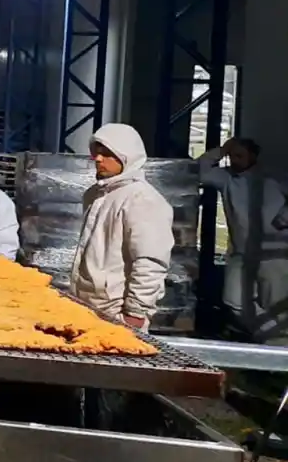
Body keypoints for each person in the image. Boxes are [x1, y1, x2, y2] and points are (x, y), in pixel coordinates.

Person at [69, 123, 175, 329]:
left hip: (116, 311)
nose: (98, 159)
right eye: (96, 153)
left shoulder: (142, 199)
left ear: (126, 156)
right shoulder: (96, 194)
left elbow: (149, 262)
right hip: (86, 305)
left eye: (107, 154)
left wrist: (135, 314)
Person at [197, 138, 288, 335]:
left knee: (277, 305)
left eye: (239, 156)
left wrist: (283, 219)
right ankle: (268, 339)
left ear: (253, 156)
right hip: (242, 253)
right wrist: (221, 150)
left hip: (276, 253)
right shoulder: (227, 179)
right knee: (233, 301)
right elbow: (198, 171)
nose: (234, 161)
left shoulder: (274, 177)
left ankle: (277, 350)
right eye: (232, 156)